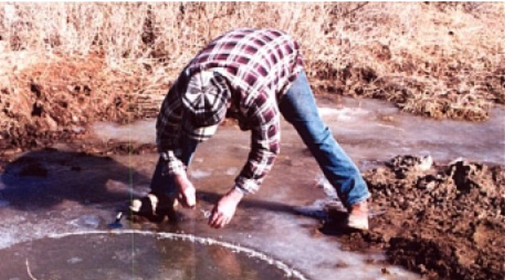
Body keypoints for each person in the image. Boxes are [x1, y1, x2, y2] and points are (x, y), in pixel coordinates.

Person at [130, 28, 370, 230]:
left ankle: (357, 200)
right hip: (236, 52)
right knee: (182, 135)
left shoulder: (255, 94)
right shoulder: (184, 90)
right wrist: (180, 178)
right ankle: (163, 194)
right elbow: (166, 136)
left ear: (229, 106)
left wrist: (233, 197)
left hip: (281, 58)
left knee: (314, 132)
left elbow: (266, 149)